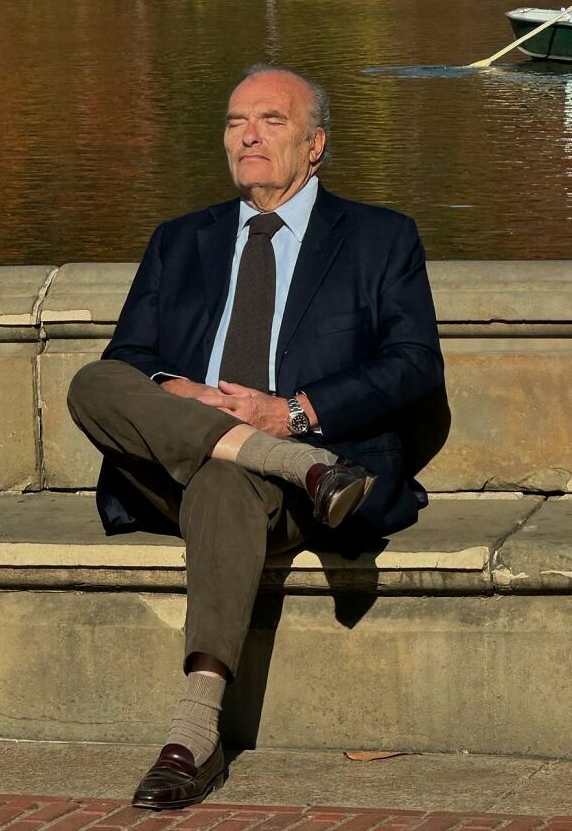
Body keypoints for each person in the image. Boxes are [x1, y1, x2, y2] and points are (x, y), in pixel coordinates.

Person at [67, 65, 443, 811]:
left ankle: (191, 733)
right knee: (90, 382)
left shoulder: (379, 237)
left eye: (271, 120)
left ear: (316, 145)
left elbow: (413, 365)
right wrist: (185, 392)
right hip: (204, 462)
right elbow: (129, 364)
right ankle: (287, 463)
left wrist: (293, 413)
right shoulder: (182, 240)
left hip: (304, 467)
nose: (247, 134)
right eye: (237, 121)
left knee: (224, 479)